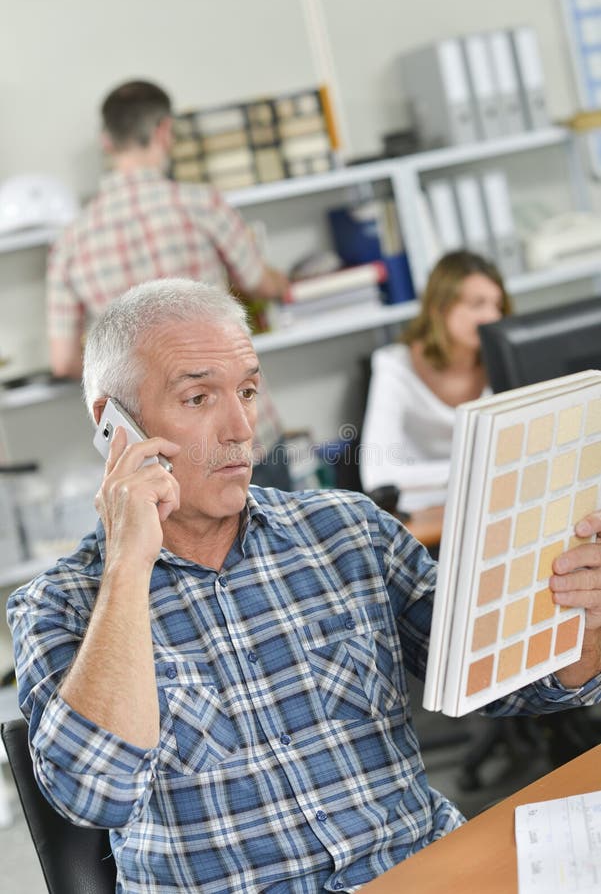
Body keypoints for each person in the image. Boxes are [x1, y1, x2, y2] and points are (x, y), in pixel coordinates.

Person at [8, 277, 601, 894]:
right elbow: (93, 795)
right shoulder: (59, 605)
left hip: (420, 874)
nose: (242, 427)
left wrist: (581, 621)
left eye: (247, 390)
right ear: (115, 425)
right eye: (198, 398)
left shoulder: (347, 531)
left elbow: (517, 686)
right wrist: (128, 567)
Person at [46, 78, 290, 487]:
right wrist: (284, 282)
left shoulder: (70, 241)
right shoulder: (201, 204)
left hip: (152, 455)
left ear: (107, 142)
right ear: (164, 131)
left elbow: (63, 360)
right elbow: (258, 282)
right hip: (237, 437)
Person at [360, 250, 511, 515]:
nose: (492, 317)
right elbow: (378, 474)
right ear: (440, 309)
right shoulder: (395, 367)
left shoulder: (503, 362)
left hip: (492, 507)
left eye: (497, 305)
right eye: (477, 304)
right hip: (424, 518)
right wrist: (478, 469)